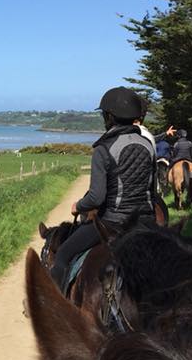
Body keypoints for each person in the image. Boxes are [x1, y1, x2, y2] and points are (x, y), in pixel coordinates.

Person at [49, 87, 155, 288]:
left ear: (109, 116)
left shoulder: (103, 148)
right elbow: (152, 188)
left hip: (113, 223)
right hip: (145, 222)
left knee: (63, 254)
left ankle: (59, 310)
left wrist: (78, 206)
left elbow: (96, 198)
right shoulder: (147, 144)